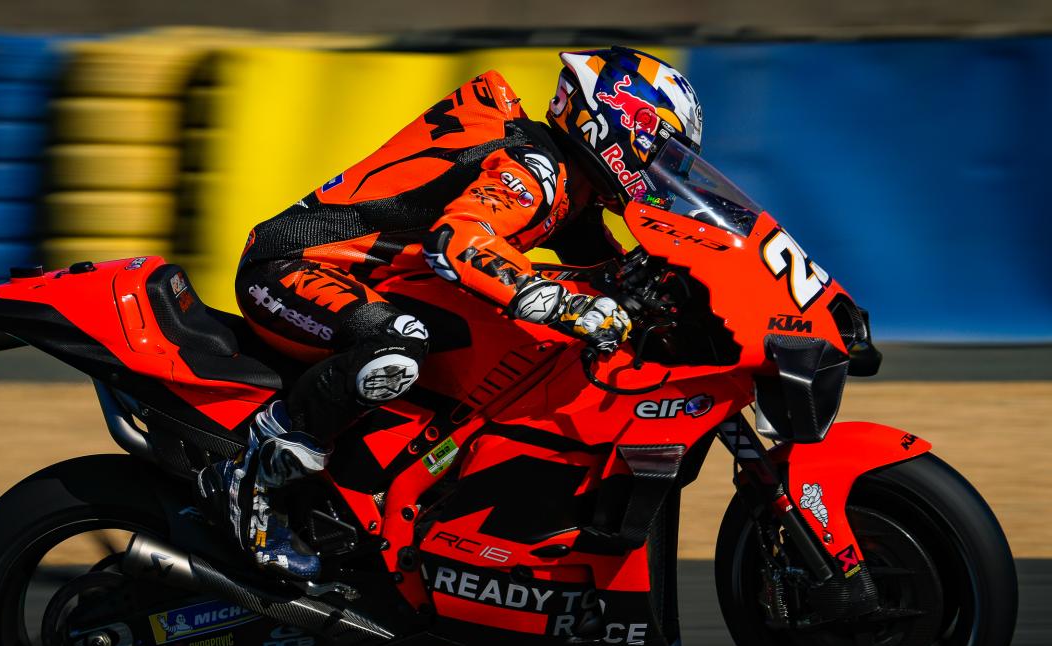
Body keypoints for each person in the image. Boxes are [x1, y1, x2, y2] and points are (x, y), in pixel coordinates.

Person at [198, 46, 705, 580]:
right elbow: (455, 243)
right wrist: (564, 304)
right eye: (663, 151)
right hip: (290, 268)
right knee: (397, 345)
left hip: (366, 283)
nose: (665, 168)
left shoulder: (571, 190)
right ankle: (253, 479)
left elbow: (611, 272)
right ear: (620, 123)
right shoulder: (532, 169)